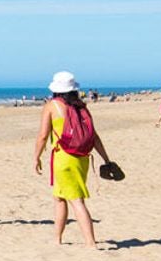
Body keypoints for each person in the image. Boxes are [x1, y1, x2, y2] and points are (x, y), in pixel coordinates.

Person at [33, 71, 113, 249]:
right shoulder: (80, 106)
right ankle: (57, 238)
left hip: (63, 158)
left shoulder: (52, 106)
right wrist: (106, 159)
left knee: (76, 200)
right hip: (82, 158)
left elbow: (42, 136)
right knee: (59, 197)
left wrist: (36, 157)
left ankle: (90, 243)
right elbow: (94, 136)